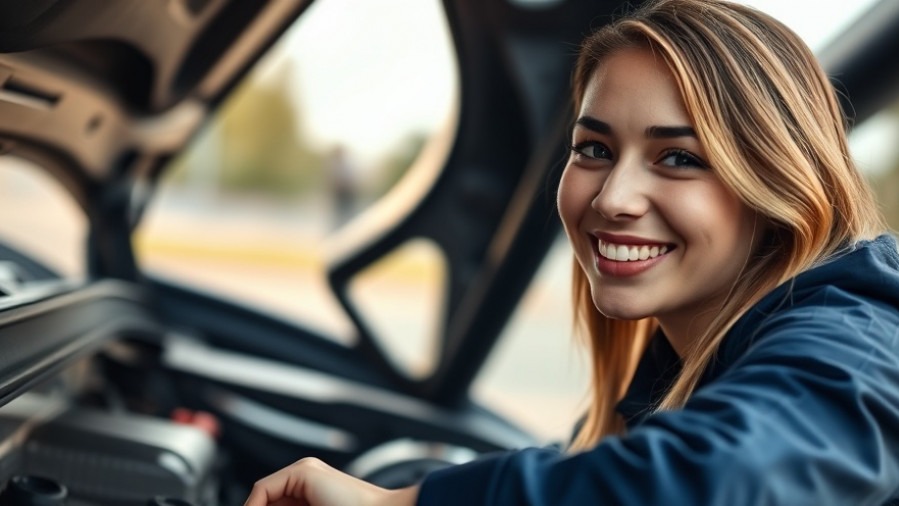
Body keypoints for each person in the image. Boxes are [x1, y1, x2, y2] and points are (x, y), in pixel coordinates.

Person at [244, 0, 899, 504]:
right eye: (594, 149)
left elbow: (714, 480)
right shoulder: (691, 360)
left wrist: (411, 500)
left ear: (774, 183)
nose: (613, 197)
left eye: (677, 157)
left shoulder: (859, 340)